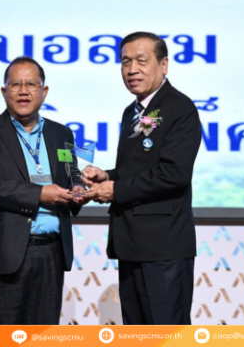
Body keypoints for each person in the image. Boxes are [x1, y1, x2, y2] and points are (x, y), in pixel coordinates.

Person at [83, 32, 202, 325]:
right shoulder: (132, 112)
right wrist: (106, 176)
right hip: (132, 244)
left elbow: (173, 174)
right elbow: (137, 169)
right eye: (125, 62)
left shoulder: (179, 108)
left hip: (163, 247)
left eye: (141, 61)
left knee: (166, 337)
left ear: (164, 64)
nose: (132, 69)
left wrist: (116, 189)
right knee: (135, 336)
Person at [0, 56, 82, 325]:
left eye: (31, 84)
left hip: (52, 252)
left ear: (44, 91)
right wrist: (39, 194)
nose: (23, 91)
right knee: (3, 339)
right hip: (6, 253)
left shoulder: (61, 134)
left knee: (43, 337)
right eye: (16, 84)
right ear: (4, 91)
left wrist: (79, 188)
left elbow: (71, 173)